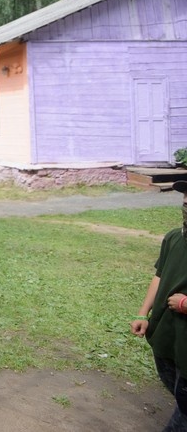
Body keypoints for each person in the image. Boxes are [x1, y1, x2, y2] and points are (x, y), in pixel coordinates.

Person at [131, 180, 187, 429]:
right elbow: (160, 275)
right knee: (173, 385)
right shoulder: (174, 237)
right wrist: (143, 314)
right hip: (165, 335)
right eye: (185, 200)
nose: (186, 205)